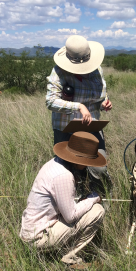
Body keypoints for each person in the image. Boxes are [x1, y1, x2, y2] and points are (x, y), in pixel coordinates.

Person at [19, 132, 107, 265]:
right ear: (78, 161)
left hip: (31, 230)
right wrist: (93, 198)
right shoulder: (64, 175)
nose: (88, 166)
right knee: (97, 210)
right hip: (38, 238)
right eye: (87, 162)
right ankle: (69, 256)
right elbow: (70, 216)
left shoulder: (54, 163)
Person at [46, 35, 112, 195]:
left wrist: (104, 103)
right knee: (68, 171)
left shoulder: (97, 70)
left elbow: (100, 95)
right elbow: (51, 101)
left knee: (99, 168)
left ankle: (100, 199)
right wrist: (79, 106)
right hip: (66, 130)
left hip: (92, 128)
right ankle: (74, 201)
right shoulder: (59, 72)